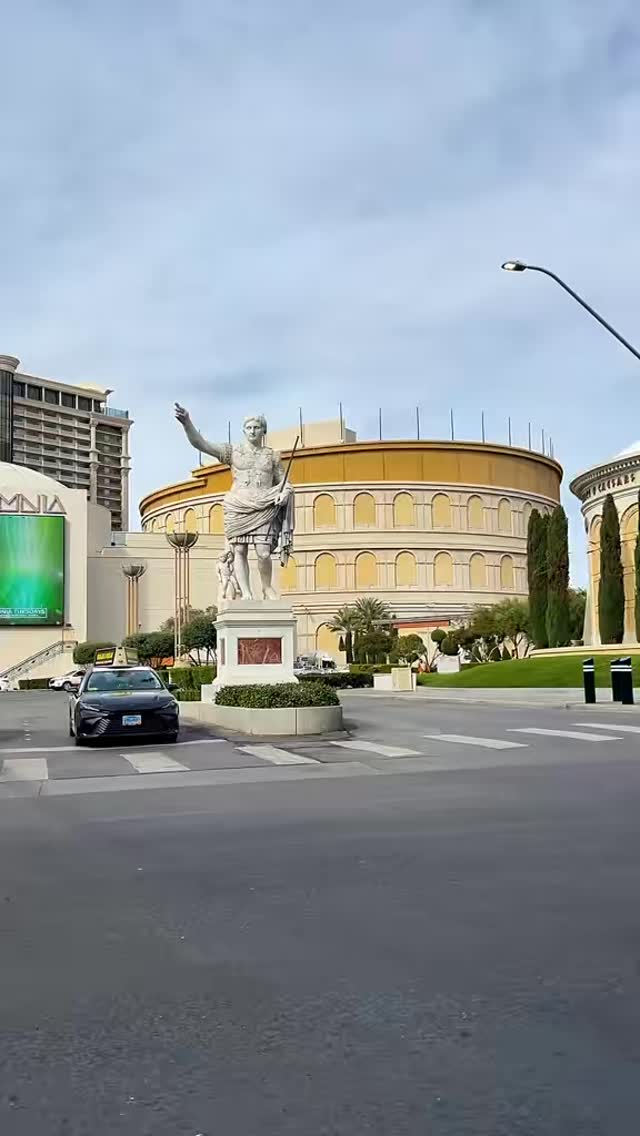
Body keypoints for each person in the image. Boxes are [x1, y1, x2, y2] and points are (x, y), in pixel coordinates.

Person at [174, 406, 294, 600]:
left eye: (256, 427)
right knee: (239, 550)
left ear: (264, 430)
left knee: (263, 552)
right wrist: (187, 423)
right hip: (238, 503)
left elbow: (283, 481)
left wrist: (285, 492)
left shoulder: (272, 456)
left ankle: (266, 587)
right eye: (249, 428)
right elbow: (201, 443)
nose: (253, 431)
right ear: (244, 431)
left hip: (264, 504)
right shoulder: (233, 452)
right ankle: (246, 592)